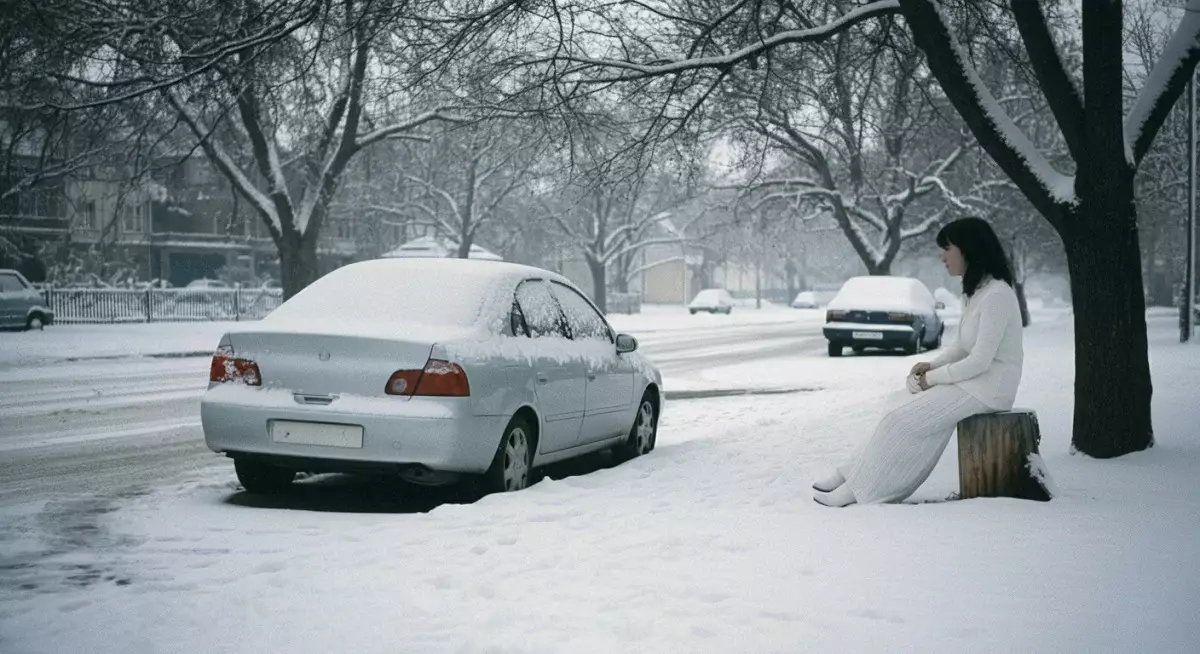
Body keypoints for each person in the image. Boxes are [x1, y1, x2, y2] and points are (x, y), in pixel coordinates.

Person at [812, 217, 1025, 507]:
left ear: (968, 249)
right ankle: (849, 474)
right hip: (974, 384)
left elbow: (980, 361)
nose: (942, 257)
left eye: (947, 248)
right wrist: (932, 366)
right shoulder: (975, 293)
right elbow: (962, 347)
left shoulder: (997, 295)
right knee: (894, 403)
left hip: (990, 389)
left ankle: (863, 491)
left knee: (900, 419)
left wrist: (932, 380)